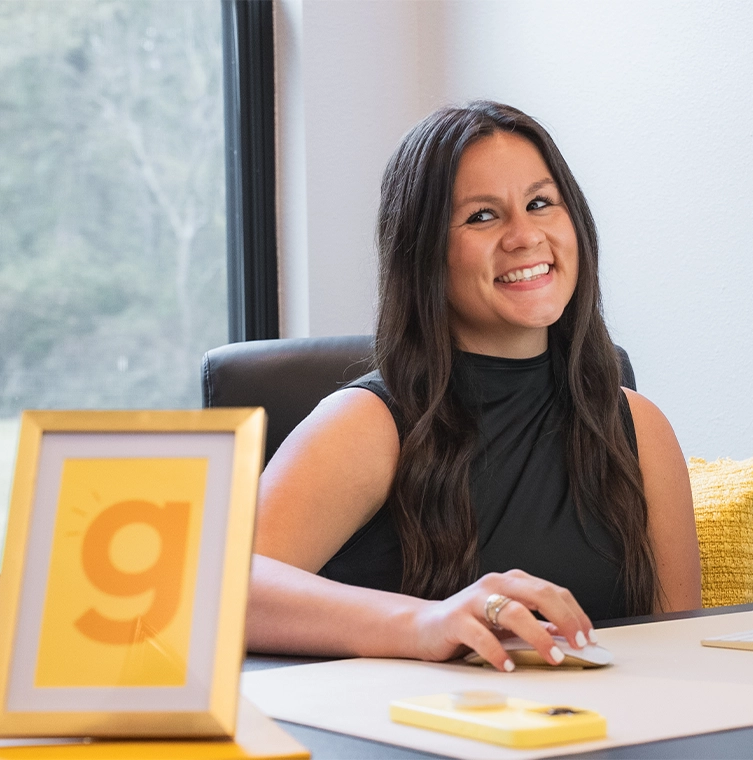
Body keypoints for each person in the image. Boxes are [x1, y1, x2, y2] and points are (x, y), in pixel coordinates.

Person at [246, 101, 700, 672]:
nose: (524, 236)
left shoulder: (640, 426)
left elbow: (677, 649)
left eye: (540, 204)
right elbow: (221, 588)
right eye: (483, 216)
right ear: (424, 252)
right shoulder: (368, 422)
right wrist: (426, 622)